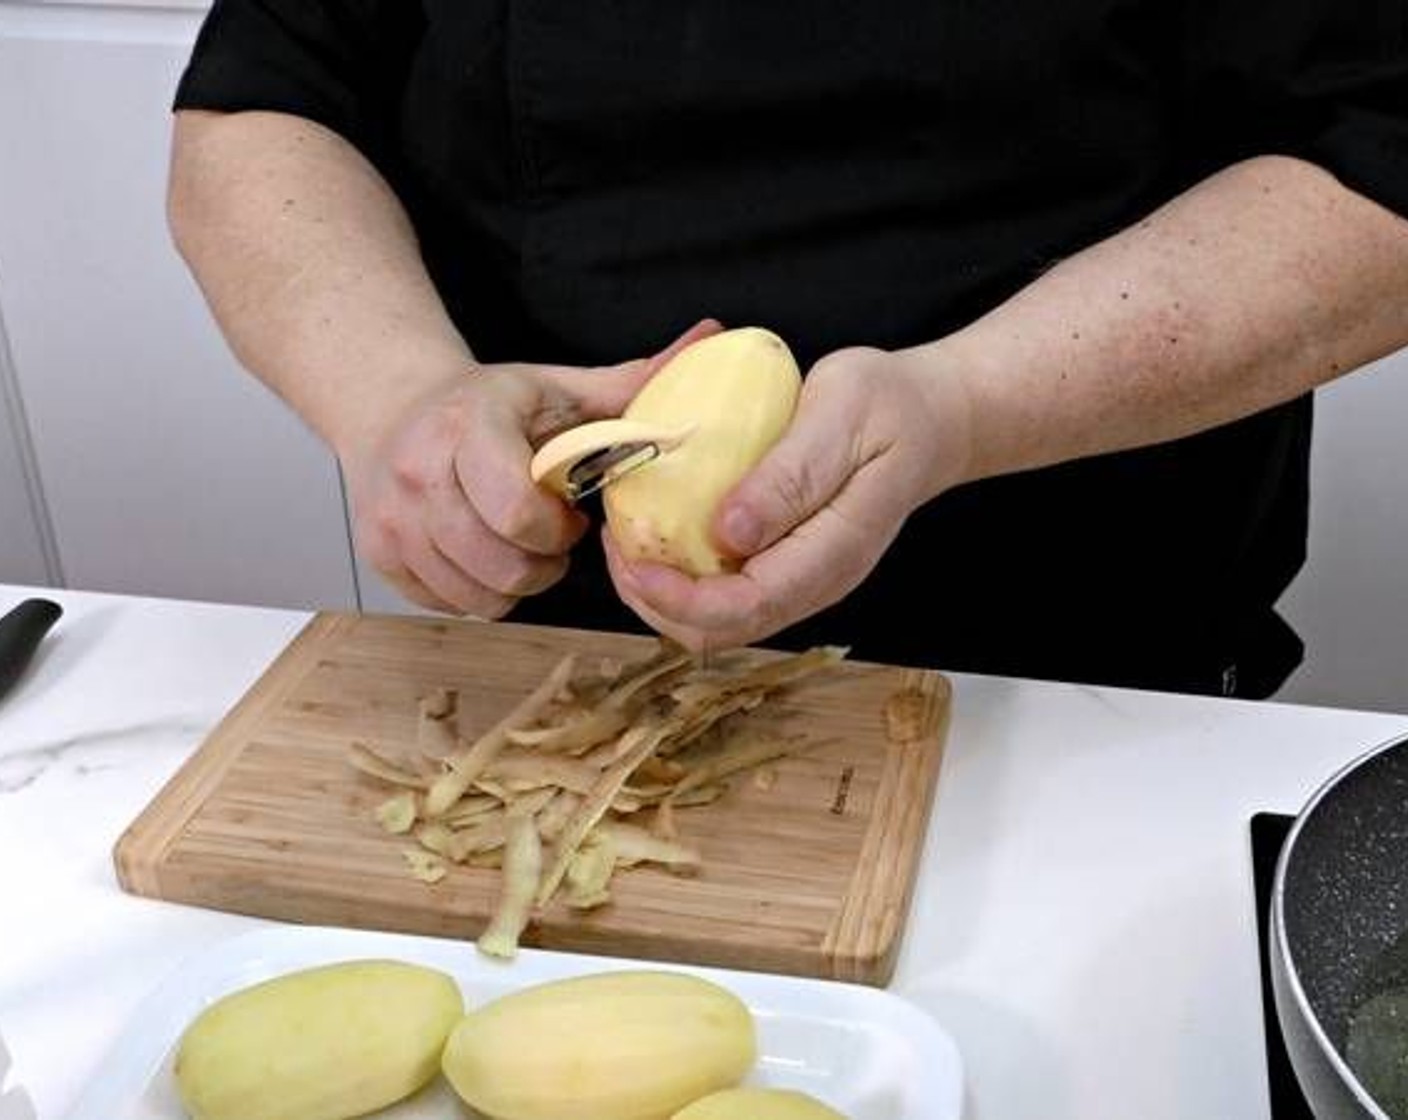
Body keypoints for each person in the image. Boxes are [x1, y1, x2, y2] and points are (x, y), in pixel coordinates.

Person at [165, 1, 1408, 699]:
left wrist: (965, 404)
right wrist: (396, 398)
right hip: (543, 663)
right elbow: (266, 99)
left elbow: (1381, 159)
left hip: (1085, 668)